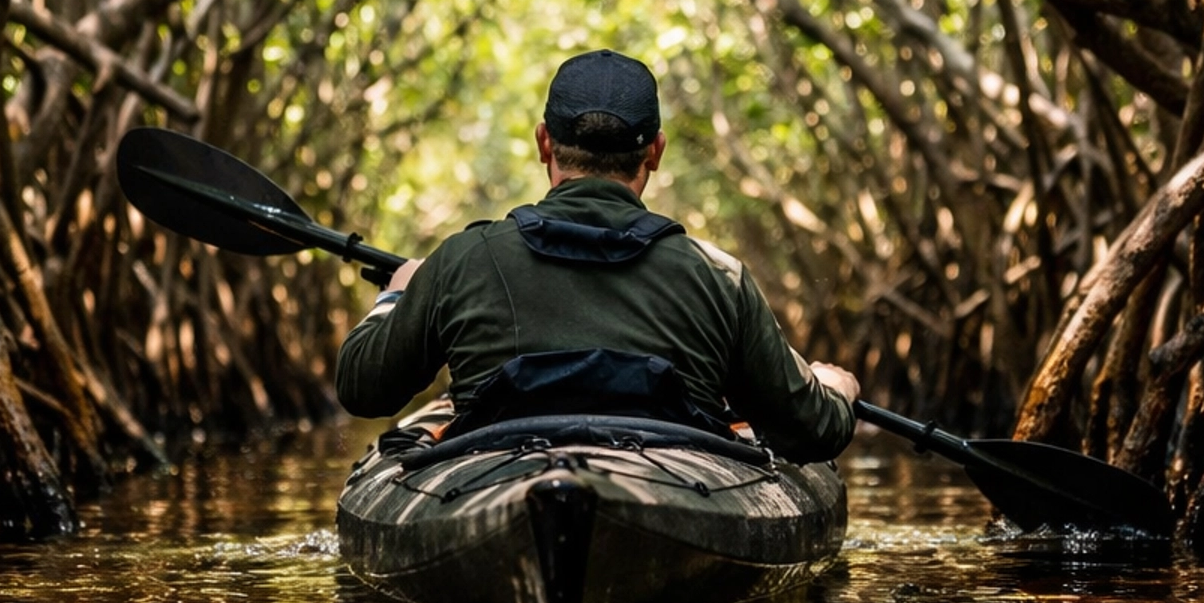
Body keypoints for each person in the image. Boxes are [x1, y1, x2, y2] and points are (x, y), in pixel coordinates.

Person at [334, 49, 860, 461]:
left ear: (544, 143)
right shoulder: (719, 277)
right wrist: (835, 388)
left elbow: (363, 389)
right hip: (682, 482)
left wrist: (396, 294)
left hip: (491, 471)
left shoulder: (463, 259)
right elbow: (812, 429)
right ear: (655, 150)